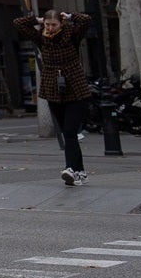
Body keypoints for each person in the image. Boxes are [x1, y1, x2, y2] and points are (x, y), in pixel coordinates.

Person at [15, 10, 93, 184]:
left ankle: (70, 169)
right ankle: (80, 172)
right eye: (47, 24)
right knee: (67, 133)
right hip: (53, 89)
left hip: (76, 87)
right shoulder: (40, 37)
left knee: (70, 131)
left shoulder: (72, 34)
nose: (50, 28)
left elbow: (87, 20)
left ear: (61, 23)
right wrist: (36, 19)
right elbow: (18, 23)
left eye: (54, 24)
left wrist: (70, 16)